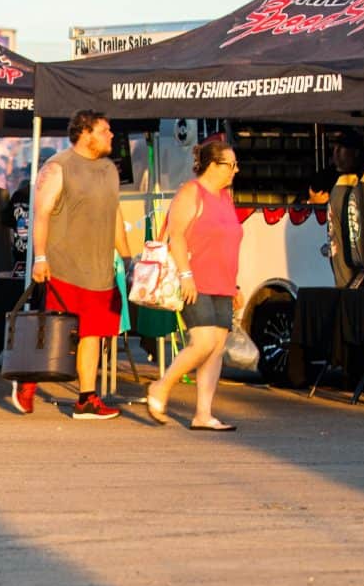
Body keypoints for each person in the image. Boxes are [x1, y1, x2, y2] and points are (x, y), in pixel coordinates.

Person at [21, 110, 132, 420]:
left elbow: (115, 215)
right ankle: (28, 378)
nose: (111, 135)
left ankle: (87, 399)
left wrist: (127, 257)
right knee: (57, 332)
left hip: (100, 270)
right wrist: (40, 257)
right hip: (63, 266)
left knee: (92, 334)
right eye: (105, 130)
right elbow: (41, 213)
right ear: (85, 133)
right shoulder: (58, 167)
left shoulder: (110, 169)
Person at [145, 139, 243, 432]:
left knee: (216, 348)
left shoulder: (225, 197)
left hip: (224, 282)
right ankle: (162, 386)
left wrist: (235, 286)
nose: (236, 170)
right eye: (231, 165)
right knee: (203, 343)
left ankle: (203, 414)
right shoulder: (191, 192)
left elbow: (227, 242)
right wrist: (186, 275)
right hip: (195, 280)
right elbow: (176, 235)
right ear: (213, 165)